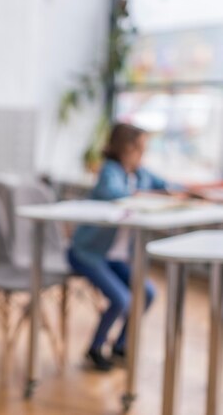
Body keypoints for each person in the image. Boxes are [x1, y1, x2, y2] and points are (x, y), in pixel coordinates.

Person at [67, 122, 175, 371]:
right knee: (122, 299)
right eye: (140, 148)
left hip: (115, 259)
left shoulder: (141, 174)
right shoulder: (110, 171)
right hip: (88, 254)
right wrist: (147, 196)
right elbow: (116, 195)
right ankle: (95, 348)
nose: (143, 154)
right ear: (126, 148)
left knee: (146, 293)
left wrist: (192, 190)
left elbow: (168, 185)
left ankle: (121, 345)